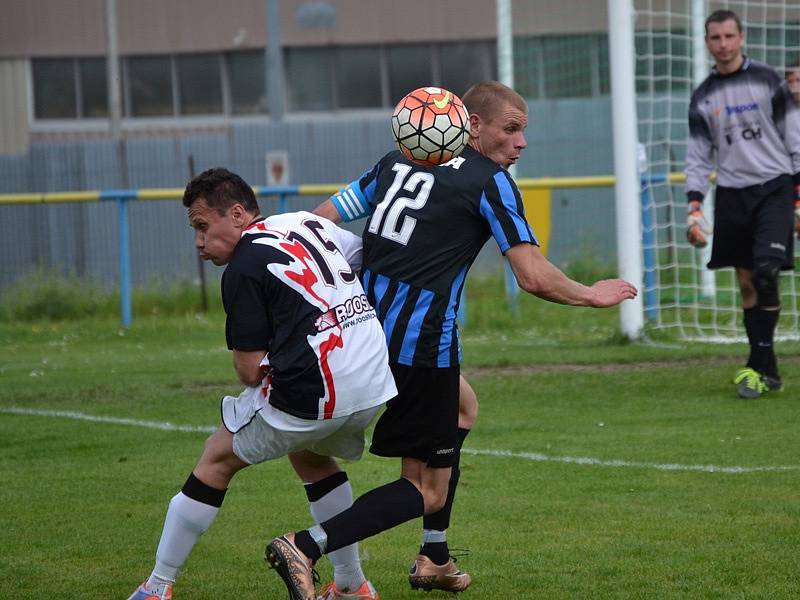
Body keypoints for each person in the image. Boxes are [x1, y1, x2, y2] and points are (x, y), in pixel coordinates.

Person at [265, 81, 638, 600]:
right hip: (421, 346)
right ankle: (305, 545)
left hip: (365, 333)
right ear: (473, 126)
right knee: (424, 486)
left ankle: (434, 557)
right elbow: (531, 276)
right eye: (511, 130)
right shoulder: (490, 182)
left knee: (465, 409)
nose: (521, 143)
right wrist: (591, 295)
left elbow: (321, 219)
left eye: (524, 131)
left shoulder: (397, 159)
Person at [127, 168, 397, 600]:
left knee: (216, 458)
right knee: (310, 458)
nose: (198, 241)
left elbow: (250, 371)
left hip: (320, 392)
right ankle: (351, 586)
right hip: (375, 381)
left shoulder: (243, 268)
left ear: (236, 214)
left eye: (202, 226)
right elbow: (364, 259)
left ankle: (156, 588)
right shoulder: (303, 222)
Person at [685, 10, 800, 398]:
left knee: (767, 272)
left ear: (742, 37)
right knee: (748, 282)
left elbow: (795, 136)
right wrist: (695, 205)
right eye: (715, 37)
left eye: (729, 36)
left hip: (775, 189)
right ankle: (764, 370)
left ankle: (760, 365)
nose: (723, 44)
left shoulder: (769, 81)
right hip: (733, 194)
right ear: (707, 43)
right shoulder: (703, 96)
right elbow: (699, 157)